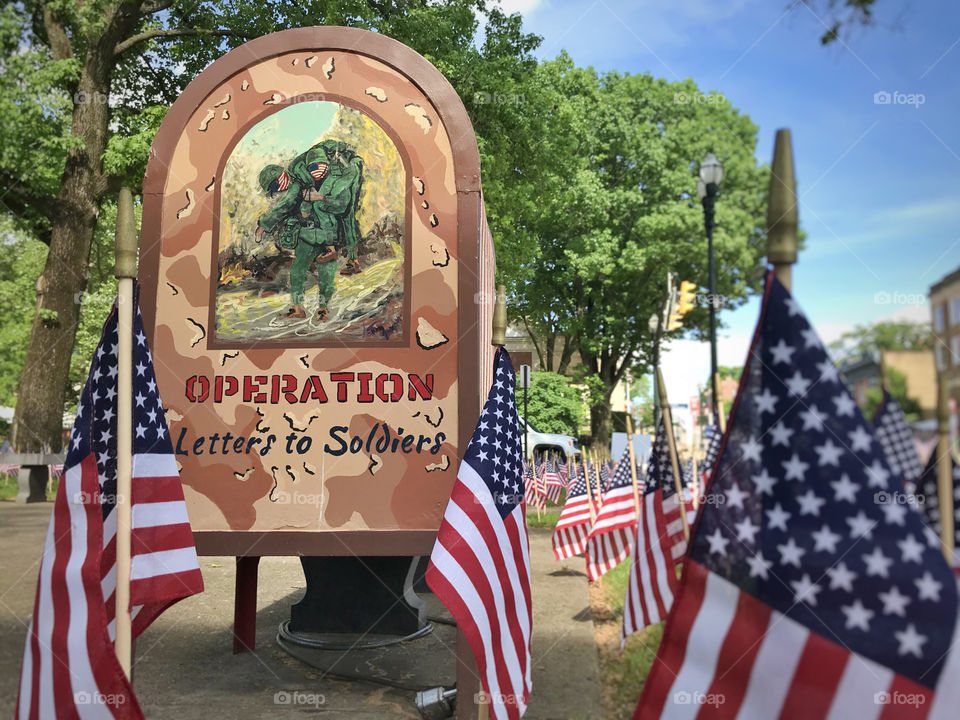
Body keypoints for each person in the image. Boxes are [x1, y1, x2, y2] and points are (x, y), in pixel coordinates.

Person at [255, 142, 364, 321]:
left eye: (275, 186)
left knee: (326, 273)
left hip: (325, 234)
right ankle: (297, 307)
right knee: (297, 271)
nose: (278, 190)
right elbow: (286, 205)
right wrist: (266, 225)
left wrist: (319, 198)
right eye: (274, 190)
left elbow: (342, 205)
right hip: (306, 234)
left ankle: (323, 309)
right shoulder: (296, 185)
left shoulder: (329, 174)